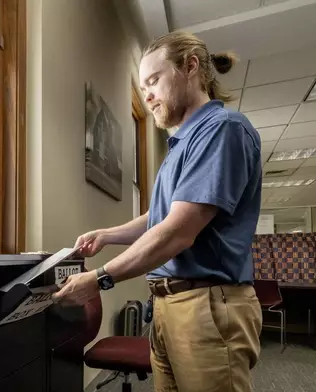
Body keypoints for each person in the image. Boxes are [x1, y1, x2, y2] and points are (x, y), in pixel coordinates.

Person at [52, 31, 263, 392]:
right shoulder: (180, 144)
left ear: (190, 67)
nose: (147, 95)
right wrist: (108, 235)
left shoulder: (222, 129)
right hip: (169, 306)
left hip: (207, 306)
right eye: (143, 85)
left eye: (153, 80)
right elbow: (161, 217)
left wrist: (101, 278)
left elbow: (178, 231)